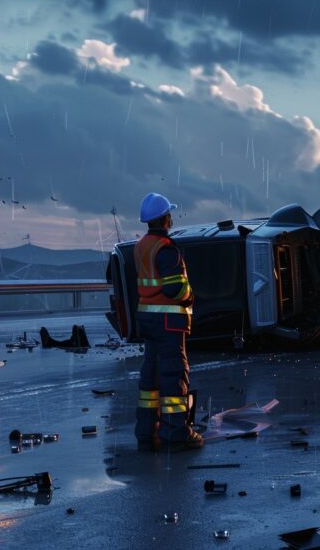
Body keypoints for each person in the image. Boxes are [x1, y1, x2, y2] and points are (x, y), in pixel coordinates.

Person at [133, 193, 202, 452]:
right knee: (173, 375)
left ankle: (147, 433)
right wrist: (191, 296)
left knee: (150, 378)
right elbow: (174, 287)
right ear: (165, 218)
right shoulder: (166, 249)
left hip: (148, 319)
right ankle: (176, 434)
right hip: (168, 321)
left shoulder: (142, 246)